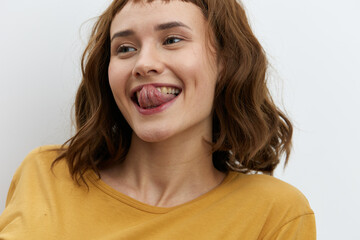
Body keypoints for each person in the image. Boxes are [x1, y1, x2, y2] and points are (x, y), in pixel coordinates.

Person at [0, 0, 316, 239]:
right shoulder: (45, 175)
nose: (144, 63)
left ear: (226, 61)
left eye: (172, 40)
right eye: (125, 48)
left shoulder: (276, 213)